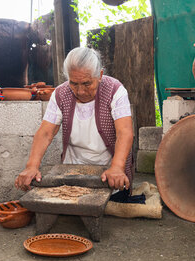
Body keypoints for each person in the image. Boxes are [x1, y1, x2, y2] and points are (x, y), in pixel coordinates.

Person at [15, 47, 134, 192]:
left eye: (86, 83)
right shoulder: (60, 93)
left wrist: (117, 167)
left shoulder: (115, 90)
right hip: (72, 169)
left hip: (108, 170)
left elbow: (125, 132)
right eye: (74, 83)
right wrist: (31, 166)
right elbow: (46, 133)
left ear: (100, 75)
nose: (80, 91)